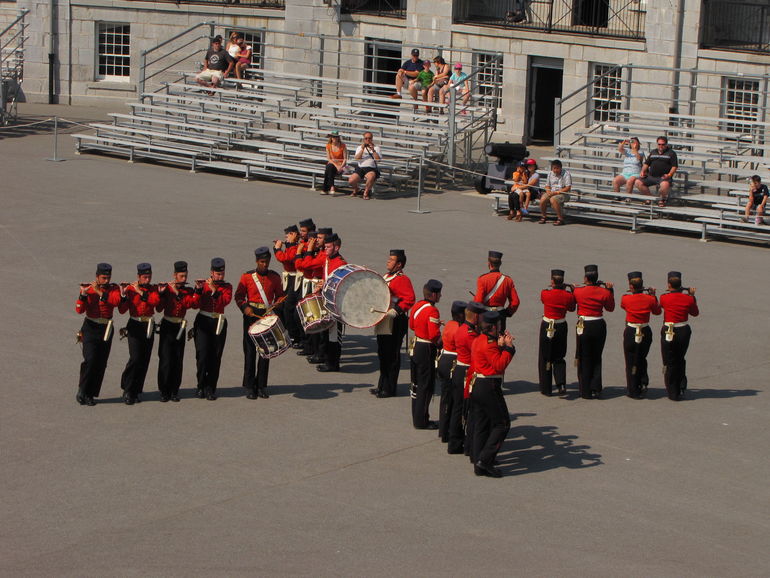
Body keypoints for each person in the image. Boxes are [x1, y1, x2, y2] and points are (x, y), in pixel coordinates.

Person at [235, 247, 286, 400]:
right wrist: (245, 307)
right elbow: (239, 296)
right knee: (250, 351)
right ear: (257, 261)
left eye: (267, 262)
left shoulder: (275, 277)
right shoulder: (247, 277)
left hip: (266, 317)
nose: (265, 265)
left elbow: (280, 296)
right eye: (262, 262)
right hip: (251, 317)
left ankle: (262, 385)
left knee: (266, 352)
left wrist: (278, 304)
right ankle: (250, 386)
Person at [469, 310, 515, 478]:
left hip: (478, 384)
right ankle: (484, 460)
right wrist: (509, 349)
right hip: (489, 385)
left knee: (482, 423)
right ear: (494, 327)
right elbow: (499, 365)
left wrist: (500, 345)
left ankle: (478, 459)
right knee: (502, 424)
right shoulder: (489, 343)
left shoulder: (480, 339)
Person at [75, 263, 122, 406]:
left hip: (106, 327)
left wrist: (100, 292)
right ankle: (82, 389)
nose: (106, 281)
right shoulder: (89, 289)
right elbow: (79, 310)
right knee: (90, 359)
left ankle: (91, 394)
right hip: (90, 326)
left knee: (101, 362)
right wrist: (83, 294)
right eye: (103, 278)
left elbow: (116, 301)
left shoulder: (114, 289)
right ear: (97, 277)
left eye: (108, 277)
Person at [372, 249, 415, 398]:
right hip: (384, 318)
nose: (388, 262)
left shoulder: (402, 279)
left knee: (391, 355)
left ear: (399, 265)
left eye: (391, 260)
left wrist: (396, 310)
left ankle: (389, 388)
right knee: (382, 353)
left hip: (395, 320)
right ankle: (382, 384)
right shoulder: (387, 276)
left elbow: (409, 299)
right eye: (389, 259)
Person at [301, 233, 347, 372]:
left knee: (334, 335)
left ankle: (333, 363)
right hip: (327, 300)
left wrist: (324, 284)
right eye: (325, 246)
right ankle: (328, 359)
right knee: (326, 333)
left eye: (328, 247)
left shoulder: (341, 263)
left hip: (336, 303)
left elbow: (339, 284)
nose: (325, 249)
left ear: (336, 247)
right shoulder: (327, 260)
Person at [117, 263, 161, 405]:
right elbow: (122, 310)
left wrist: (141, 292)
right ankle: (128, 389)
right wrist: (123, 294)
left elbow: (155, 301)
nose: (147, 280)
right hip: (135, 324)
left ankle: (136, 390)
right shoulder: (130, 289)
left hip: (148, 325)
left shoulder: (153, 289)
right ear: (138, 277)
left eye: (149, 277)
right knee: (135, 357)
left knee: (144, 359)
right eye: (144, 277)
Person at [157, 261, 200, 402]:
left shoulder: (187, 290)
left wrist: (179, 293)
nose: (184, 279)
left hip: (180, 326)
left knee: (177, 359)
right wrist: (162, 294)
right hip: (167, 325)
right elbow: (158, 308)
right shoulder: (167, 289)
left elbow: (191, 304)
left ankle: (174, 390)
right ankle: (164, 390)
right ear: (174, 275)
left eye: (185, 276)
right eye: (181, 276)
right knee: (165, 359)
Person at [572, 265, 614, 399]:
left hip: (584, 325)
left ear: (586, 278)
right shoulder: (604, 292)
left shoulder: (578, 291)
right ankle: (596, 387)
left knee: (583, 356)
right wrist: (610, 290)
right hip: (598, 324)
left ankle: (585, 389)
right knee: (597, 356)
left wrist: (574, 289)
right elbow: (610, 308)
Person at [193, 258, 232, 400]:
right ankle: (200, 385)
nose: (220, 276)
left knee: (215, 357)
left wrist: (214, 290)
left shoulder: (227, 286)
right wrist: (197, 289)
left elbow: (225, 301)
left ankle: (210, 388)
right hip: (203, 320)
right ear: (211, 273)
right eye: (217, 274)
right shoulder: (203, 285)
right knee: (202, 355)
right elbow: (195, 304)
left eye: (222, 274)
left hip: (219, 322)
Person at [620, 271, 661, 399]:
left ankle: (633, 388)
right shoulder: (649, 299)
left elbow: (623, 306)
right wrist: (653, 296)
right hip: (645, 330)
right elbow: (657, 311)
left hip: (631, 330)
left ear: (631, 286)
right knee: (642, 357)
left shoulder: (625, 298)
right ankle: (643, 382)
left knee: (630, 360)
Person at [659, 271, 699, 401]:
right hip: (683, 330)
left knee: (669, 360)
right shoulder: (688, 298)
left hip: (669, 330)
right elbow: (695, 313)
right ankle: (681, 386)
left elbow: (660, 307)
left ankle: (671, 389)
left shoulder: (664, 297)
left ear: (669, 284)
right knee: (680, 358)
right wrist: (692, 296)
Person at [409, 279, 442, 430]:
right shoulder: (432, 310)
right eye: (439, 293)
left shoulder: (417, 306)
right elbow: (434, 335)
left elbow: (412, 325)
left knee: (416, 384)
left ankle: (416, 415)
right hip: (426, 348)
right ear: (434, 295)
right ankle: (422, 420)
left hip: (415, 345)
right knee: (425, 386)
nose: (440, 296)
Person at [539, 269, 576, 396]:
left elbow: (543, 299)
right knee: (559, 356)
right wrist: (571, 290)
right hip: (560, 325)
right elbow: (572, 308)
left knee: (545, 356)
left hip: (547, 324)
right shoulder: (567, 296)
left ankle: (546, 388)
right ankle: (561, 384)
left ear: (552, 281)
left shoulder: (545, 293)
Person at [455, 302, 486, 457]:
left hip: (461, 368)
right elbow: (479, 352)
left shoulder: (462, 329)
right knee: (470, 411)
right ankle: (469, 444)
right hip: (468, 371)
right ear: (475, 316)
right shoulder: (470, 334)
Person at [437, 301, 466, 444]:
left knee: (445, 398)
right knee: (453, 400)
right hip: (453, 362)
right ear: (461, 315)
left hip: (443, 359)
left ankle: (443, 429)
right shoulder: (459, 329)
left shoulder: (449, 324)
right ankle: (449, 432)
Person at [473, 250, 520, 332]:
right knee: (499, 340)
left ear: (489, 264)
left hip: (485, 315)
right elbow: (515, 302)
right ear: (500, 264)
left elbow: (478, 301)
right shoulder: (508, 280)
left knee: (485, 340)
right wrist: (507, 312)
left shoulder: (482, 279)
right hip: (500, 315)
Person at [273, 225, 303, 347]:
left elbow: (286, 258)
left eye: (288, 235)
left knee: (288, 308)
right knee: (279, 306)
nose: (286, 238)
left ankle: (294, 335)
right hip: (288, 278)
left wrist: (277, 249)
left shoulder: (296, 246)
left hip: (294, 278)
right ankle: (288, 331)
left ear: (293, 234)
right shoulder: (292, 246)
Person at [293, 218, 316, 356]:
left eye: (303, 231)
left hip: (311, 283)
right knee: (298, 314)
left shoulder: (310, 248)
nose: (301, 233)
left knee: (305, 316)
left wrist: (300, 252)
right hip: (303, 281)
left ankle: (309, 345)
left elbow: (301, 265)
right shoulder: (303, 243)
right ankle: (304, 342)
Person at [636, 135, 677, 207]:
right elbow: (646, 164)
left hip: (663, 177)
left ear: (666, 144)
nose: (661, 146)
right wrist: (642, 171)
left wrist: (669, 175)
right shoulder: (653, 152)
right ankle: (650, 198)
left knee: (665, 185)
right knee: (638, 182)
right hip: (651, 176)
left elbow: (674, 166)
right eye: (659, 144)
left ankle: (661, 199)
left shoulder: (671, 153)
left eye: (663, 144)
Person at [348, 132, 381, 200]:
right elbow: (357, 158)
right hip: (361, 167)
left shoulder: (377, 148)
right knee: (351, 180)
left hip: (371, 168)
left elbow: (378, 160)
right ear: (363, 139)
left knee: (371, 176)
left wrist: (373, 150)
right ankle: (356, 189)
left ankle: (366, 192)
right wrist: (362, 149)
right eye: (366, 138)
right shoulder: (359, 147)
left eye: (369, 138)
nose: (368, 140)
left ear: (372, 139)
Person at [539, 159, 572, 226]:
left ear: (561, 168)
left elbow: (568, 188)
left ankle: (560, 218)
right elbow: (547, 185)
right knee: (542, 199)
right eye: (554, 168)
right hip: (552, 192)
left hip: (563, 193)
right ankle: (544, 216)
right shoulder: (550, 173)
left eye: (557, 168)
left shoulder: (566, 174)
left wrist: (556, 192)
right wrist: (548, 191)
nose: (555, 170)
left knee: (553, 199)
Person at [322, 131, 347, 195]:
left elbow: (345, 159)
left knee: (328, 170)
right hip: (333, 164)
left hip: (341, 165)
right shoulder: (328, 145)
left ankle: (325, 188)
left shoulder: (343, 145)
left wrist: (340, 167)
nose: (334, 138)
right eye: (333, 137)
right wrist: (336, 166)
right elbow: (329, 158)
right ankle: (332, 187)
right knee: (329, 167)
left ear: (338, 138)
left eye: (336, 137)